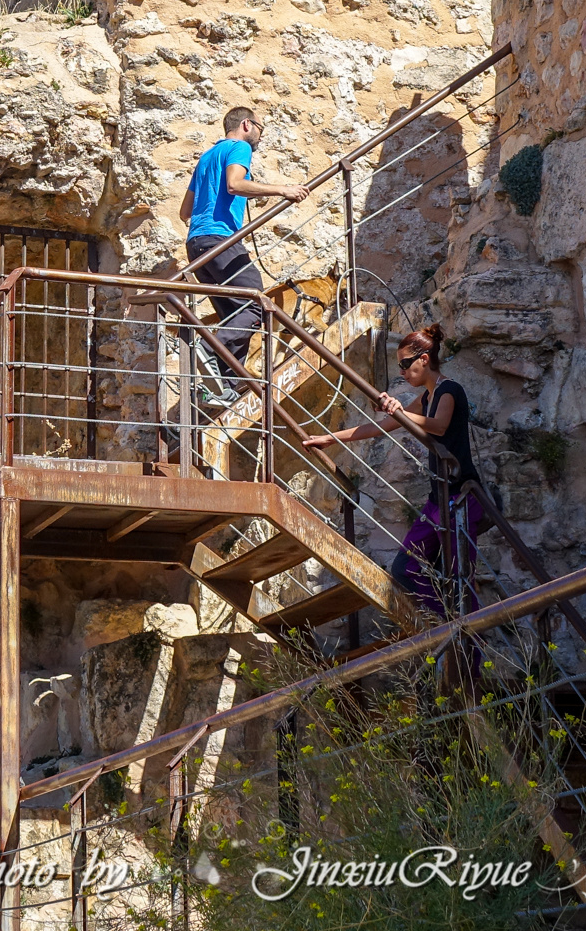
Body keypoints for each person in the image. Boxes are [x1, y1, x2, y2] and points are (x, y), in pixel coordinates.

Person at [301, 324, 490, 619]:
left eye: (405, 364)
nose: (402, 371)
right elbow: (383, 425)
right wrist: (330, 438)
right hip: (439, 500)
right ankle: (446, 622)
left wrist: (399, 410)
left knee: (460, 580)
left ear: (424, 360)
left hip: (461, 499)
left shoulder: (450, 390)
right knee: (405, 568)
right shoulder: (427, 398)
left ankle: (468, 645)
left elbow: (438, 425)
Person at [178, 107, 309, 398]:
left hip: (197, 244)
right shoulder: (239, 147)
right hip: (220, 240)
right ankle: (209, 346)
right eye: (261, 129)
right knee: (254, 305)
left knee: (235, 316)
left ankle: (224, 388)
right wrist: (282, 190)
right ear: (247, 124)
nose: (260, 136)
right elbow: (235, 184)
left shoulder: (206, 157)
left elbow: (185, 211)